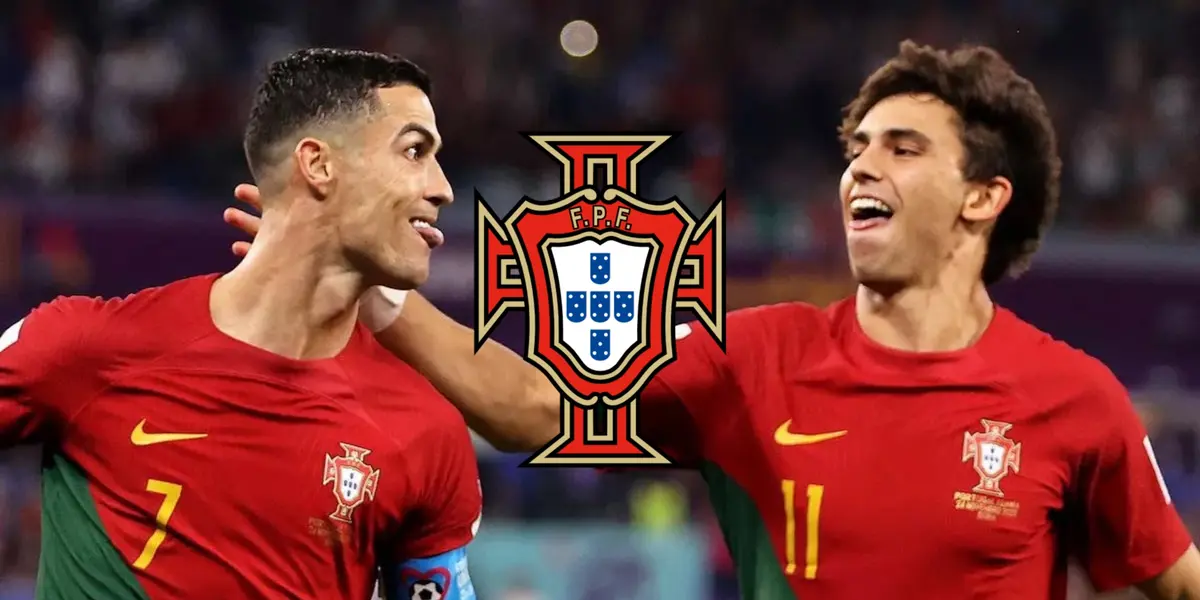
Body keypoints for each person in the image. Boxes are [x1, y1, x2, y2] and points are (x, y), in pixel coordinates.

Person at [226, 41, 1200, 598]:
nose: (863, 167)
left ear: (985, 199)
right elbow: (536, 410)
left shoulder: (1074, 400)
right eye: (860, 147)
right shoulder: (754, 357)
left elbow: (1174, 580)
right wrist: (382, 297)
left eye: (903, 149)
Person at [0, 48, 481, 599]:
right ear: (319, 165)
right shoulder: (81, 350)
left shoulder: (426, 432)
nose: (442, 187)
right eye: (415, 151)